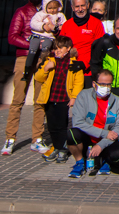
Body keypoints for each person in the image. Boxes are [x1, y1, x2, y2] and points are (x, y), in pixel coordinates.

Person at [2, 0, 47, 155]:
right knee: (17, 100)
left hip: (42, 59)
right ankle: (10, 138)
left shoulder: (47, 12)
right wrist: (31, 45)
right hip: (24, 58)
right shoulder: (21, 12)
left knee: (40, 100)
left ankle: (37, 138)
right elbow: (12, 37)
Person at [66, 69, 119, 178]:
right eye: (103, 84)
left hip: (106, 140)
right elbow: (78, 123)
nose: (106, 87)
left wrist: (101, 144)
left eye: (109, 84)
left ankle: (106, 160)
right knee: (71, 134)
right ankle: (80, 162)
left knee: (118, 155)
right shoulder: (83, 96)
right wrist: (103, 133)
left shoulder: (117, 101)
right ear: (94, 84)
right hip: (89, 137)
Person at [34, 35, 84, 163]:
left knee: (62, 125)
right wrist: (46, 68)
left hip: (63, 98)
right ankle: (56, 147)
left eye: (61, 48)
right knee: (52, 125)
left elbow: (78, 82)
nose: (58, 50)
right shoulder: (49, 60)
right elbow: (38, 78)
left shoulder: (73, 63)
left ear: (68, 48)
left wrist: (74, 97)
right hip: (50, 98)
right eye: (56, 48)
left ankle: (62, 148)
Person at [59, 0, 106, 87]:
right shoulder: (67, 25)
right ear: (72, 7)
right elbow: (60, 46)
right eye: (77, 6)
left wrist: (85, 63)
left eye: (82, 6)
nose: (80, 9)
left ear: (88, 5)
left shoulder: (96, 24)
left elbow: (99, 49)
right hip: (69, 70)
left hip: (88, 72)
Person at [25, 0, 66, 79]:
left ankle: (42, 64)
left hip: (49, 37)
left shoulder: (60, 16)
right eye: (50, 8)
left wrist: (59, 27)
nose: (52, 10)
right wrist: (43, 26)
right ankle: (27, 68)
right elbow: (33, 23)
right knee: (32, 49)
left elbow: (65, 25)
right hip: (38, 35)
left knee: (46, 49)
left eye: (55, 8)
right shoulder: (41, 14)